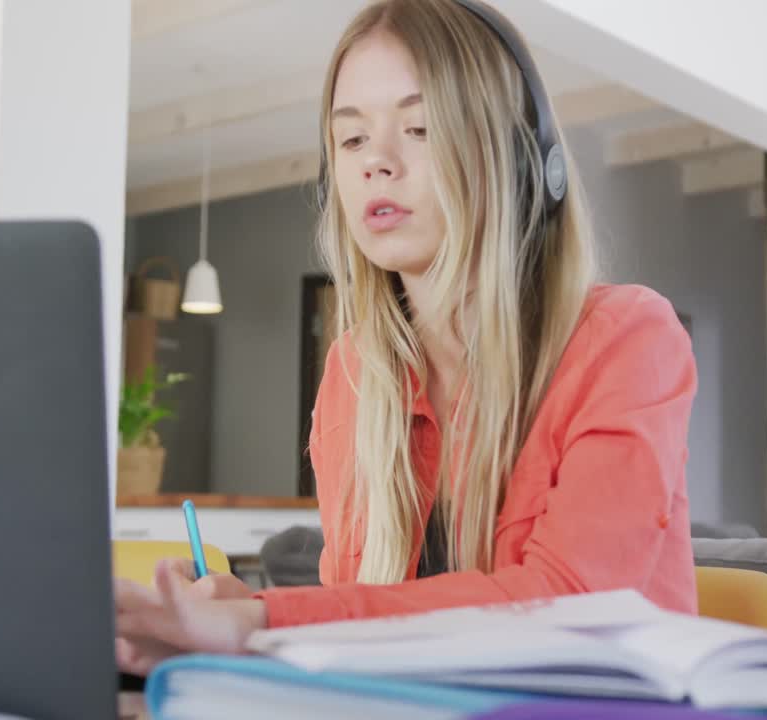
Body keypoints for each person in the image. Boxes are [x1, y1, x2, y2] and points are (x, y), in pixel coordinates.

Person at [115, 0, 698, 677]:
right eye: (352, 139)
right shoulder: (355, 372)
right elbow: (358, 610)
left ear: (516, 159)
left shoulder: (626, 340)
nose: (377, 164)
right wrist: (242, 628)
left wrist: (267, 620)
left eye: (419, 128)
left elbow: (573, 609)